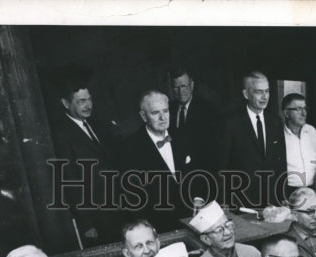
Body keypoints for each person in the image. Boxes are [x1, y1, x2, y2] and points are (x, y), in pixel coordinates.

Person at [51, 70, 119, 245]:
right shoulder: (60, 134)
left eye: (89, 99)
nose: (88, 105)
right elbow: (70, 180)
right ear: (66, 103)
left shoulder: (96, 124)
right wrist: (86, 223)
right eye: (81, 101)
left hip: (117, 208)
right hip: (96, 216)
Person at [118, 91, 188, 232]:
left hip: (191, 219)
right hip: (158, 226)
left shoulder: (182, 135)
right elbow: (133, 196)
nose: (163, 117)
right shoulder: (130, 148)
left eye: (166, 111)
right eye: (155, 113)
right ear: (144, 116)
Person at [217, 70, 286, 208]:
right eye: (258, 92)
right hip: (241, 200)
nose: (264, 97)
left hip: (271, 202)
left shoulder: (276, 122)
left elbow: (281, 163)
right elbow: (221, 165)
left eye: (267, 91)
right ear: (246, 94)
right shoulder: (230, 123)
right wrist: (223, 200)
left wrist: (281, 195)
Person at [168, 67, 220, 173]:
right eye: (176, 87)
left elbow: (214, 148)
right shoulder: (168, 110)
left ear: (191, 85)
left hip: (202, 172)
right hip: (176, 173)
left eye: (183, 86)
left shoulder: (208, 110)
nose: (180, 91)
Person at [281, 92, 316, 194]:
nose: (304, 113)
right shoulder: (279, 135)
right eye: (298, 109)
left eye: (305, 108)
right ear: (286, 113)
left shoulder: (312, 131)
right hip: (290, 191)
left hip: (314, 189)